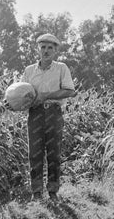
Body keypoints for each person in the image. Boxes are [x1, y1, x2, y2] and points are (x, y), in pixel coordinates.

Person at [6, 33, 76, 201]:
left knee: (54, 153)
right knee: (35, 153)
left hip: (53, 113)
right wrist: (12, 104)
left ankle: (53, 191)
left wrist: (46, 95)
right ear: (38, 49)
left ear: (56, 50)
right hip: (35, 114)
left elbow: (70, 91)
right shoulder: (29, 71)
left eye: (50, 48)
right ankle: (36, 192)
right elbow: (21, 94)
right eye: (43, 47)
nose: (46, 51)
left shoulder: (61, 68)